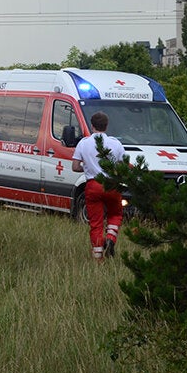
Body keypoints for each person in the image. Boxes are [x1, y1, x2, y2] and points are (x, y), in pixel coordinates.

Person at [71, 111, 126, 261]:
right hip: (112, 185)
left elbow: (75, 166)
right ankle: (110, 238)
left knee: (95, 224)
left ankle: (98, 259)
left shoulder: (84, 143)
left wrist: (88, 167)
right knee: (115, 214)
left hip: (93, 186)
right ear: (106, 125)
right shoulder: (116, 143)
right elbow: (123, 166)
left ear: (92, 125)